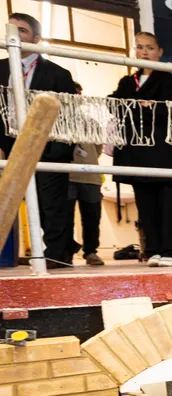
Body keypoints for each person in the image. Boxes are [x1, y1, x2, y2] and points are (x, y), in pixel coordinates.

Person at [0, 13, 78, 269]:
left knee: (51, 206)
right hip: (10, 144)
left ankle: (56, 255)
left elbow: (68, 118)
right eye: (10, 29)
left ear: (36, 38)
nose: (15, 35)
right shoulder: (0, 69)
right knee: (9, 198)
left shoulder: (58, 74)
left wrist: (60, 151)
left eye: (21, 30)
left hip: (50, 148)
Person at [109, 31, 172, 267]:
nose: (144, 52)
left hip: (162, 149)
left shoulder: (168, 80)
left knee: (167, 201)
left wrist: (139, 107)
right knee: (145, 202)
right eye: (140, 47)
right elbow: (115, 105)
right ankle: (152, 250)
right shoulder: (126, 81)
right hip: (137, 151)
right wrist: (144, 107)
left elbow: (166, 111)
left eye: (150, 48)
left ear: (159, 52)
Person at [69, 83, 104, 266]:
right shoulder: (57, 120)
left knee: (92, 218)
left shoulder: (92, 123)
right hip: (66, 176)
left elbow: (98, 148)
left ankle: (91, 252)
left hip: (90, 176)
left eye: (79, 94)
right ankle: (64, 251)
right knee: (63, 217)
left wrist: (88, 161)